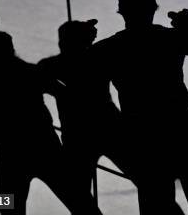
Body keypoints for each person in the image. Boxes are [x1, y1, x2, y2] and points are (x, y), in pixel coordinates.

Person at [89, 0, 188, 215]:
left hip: (146, 146)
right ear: (153, 7)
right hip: (185, 136)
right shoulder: (170, 38)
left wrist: (78, 46)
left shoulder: (109, 49)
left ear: (122, 11)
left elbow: (78, 81)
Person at [0, 31, 101, 215]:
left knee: (83, 207)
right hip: (37, 153)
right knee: (84, 207)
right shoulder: (29, 73)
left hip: (21, 157)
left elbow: (66, 96)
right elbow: (67, 96)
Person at [37, 19, 148, 212]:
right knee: (150, 184)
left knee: (80, 200)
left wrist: (59, 91)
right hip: (110, 130)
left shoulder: (54, 66)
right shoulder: (99, 57)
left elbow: (36, 80)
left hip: (79, 138)